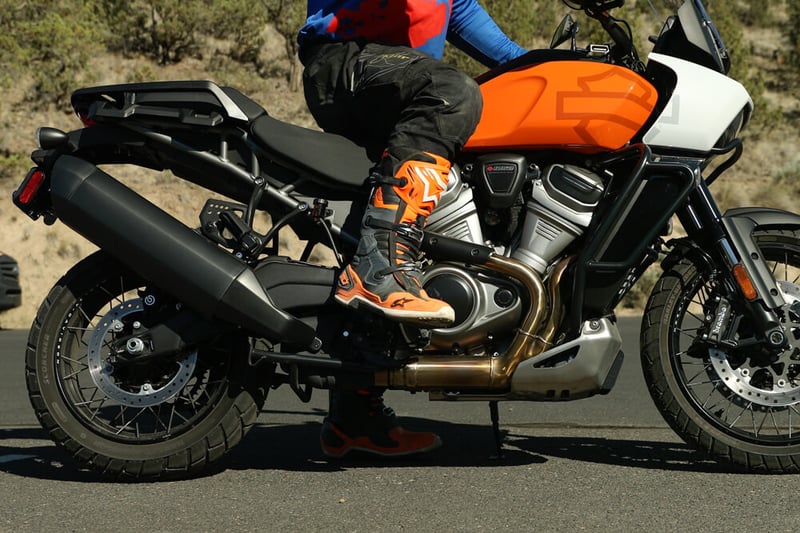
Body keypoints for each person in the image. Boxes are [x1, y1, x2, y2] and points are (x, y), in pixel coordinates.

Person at [298, 0, 527, 458]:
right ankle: (380, 265)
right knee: (451, 91)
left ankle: (354, 414)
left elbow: (458, 9)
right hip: (346, 60)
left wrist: (535, 64)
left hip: (389, 69)